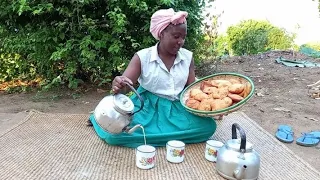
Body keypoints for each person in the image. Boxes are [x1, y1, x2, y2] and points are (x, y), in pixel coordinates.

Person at [88, 8, 217, 148]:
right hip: (147, 108)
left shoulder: (187, 58)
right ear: (161, 34)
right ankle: (169, 137)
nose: (181, 41)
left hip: (178, 108)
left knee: (208, 127)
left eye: (183, 37)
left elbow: (192, 90)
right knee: (115, 134)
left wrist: (210, 106)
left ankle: (152, 137)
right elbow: (124, 87)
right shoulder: (142, 57)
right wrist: (119, 84)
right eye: (176, 36)